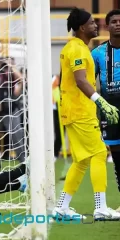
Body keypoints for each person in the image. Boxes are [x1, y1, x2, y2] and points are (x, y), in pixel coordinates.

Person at [52, 8, 120, 220]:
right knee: (100, 153)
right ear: (82, 27)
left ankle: (61, 207)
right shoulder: (79, 50)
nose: (96, 25)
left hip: (74, 111)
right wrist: (101, 102)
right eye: (92, 23)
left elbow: (67, 78)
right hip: (81, 112)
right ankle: (101, 207)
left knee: (81, 161)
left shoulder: (75, 47)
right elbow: (81, 80)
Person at [91, 9, 120, 212]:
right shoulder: (98, 53)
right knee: (117, 157)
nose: (118, 24)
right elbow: (87, 81)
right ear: (107, 26)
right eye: (114, 21)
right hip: (110, 110)